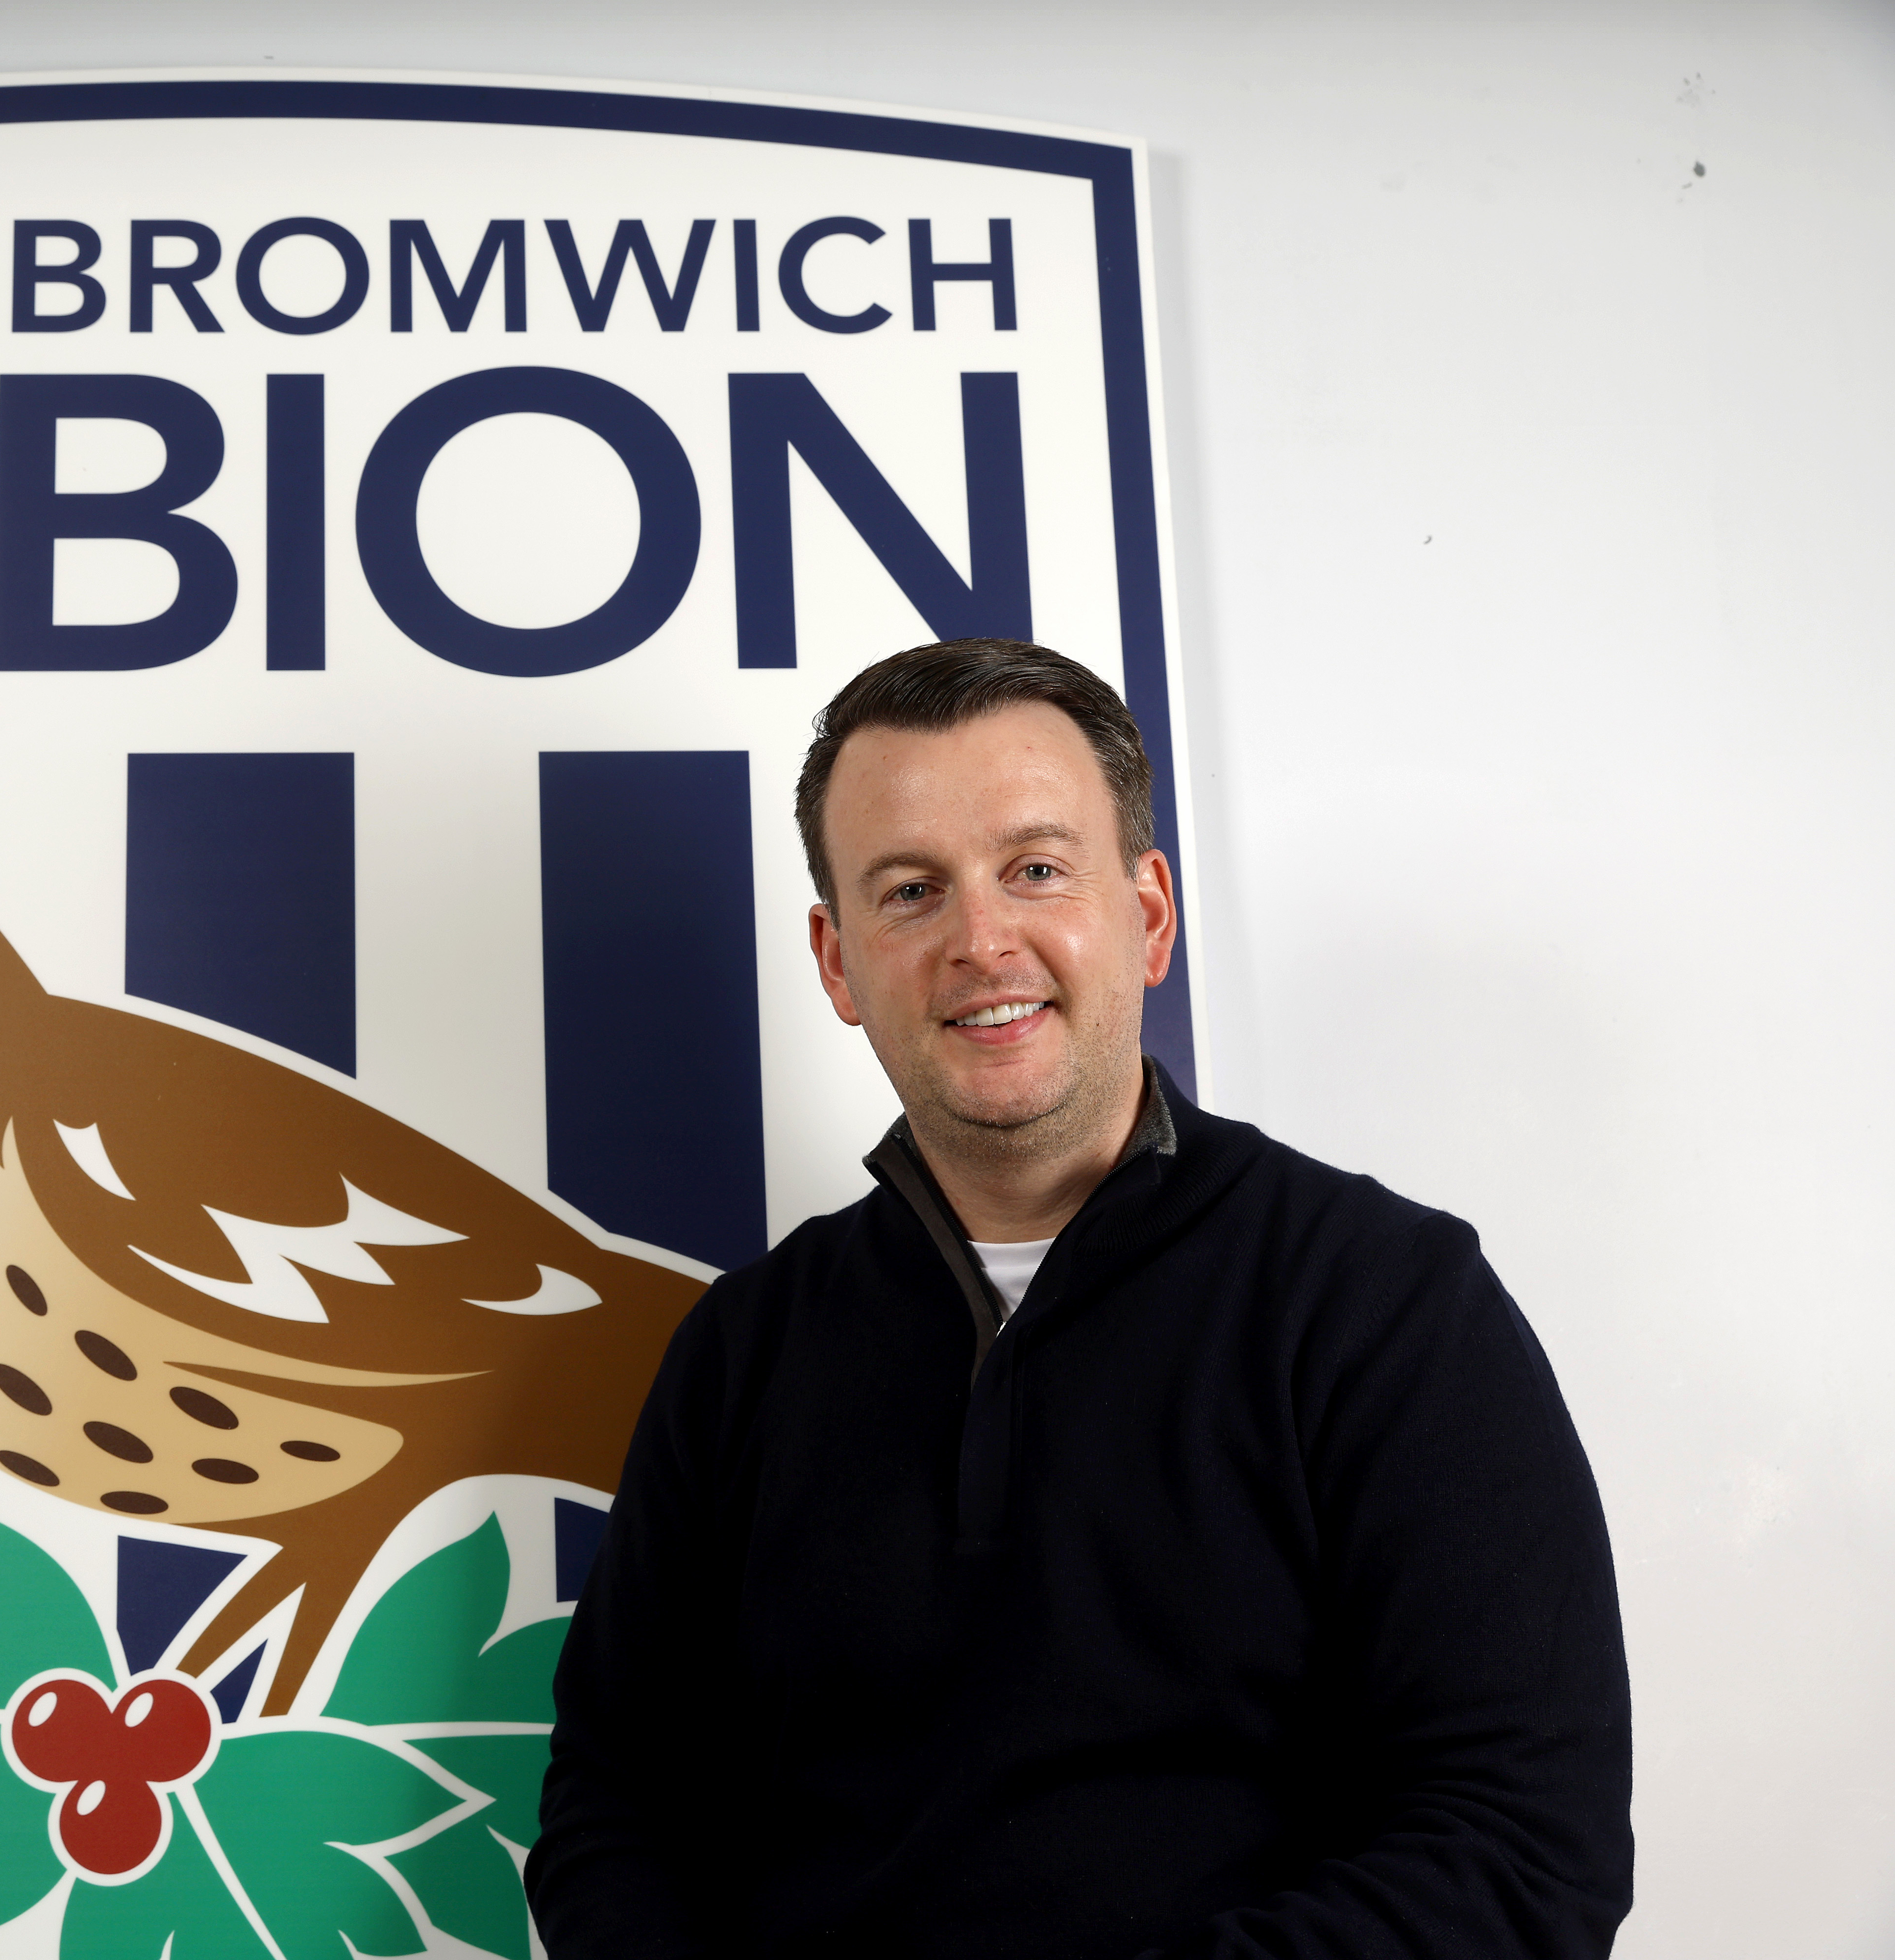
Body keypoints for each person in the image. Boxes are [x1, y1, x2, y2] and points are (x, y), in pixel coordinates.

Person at [525, 639, 1630, 1959]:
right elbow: (617, 1813)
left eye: (1036, 870)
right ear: (837, 960)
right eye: (912, 890)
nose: (982, 941)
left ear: (1148, 916)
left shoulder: (1383, 1305)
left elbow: (1521, 1848)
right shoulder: (744, 1354)